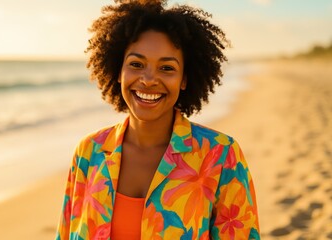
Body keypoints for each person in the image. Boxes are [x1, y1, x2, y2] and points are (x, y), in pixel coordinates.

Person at [56, 0, 260, 239]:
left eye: (166, 68)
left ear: (184, 79)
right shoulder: (89, 153)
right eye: (136, 64)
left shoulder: (221, 155)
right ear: (118, 71)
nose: (149, 79)